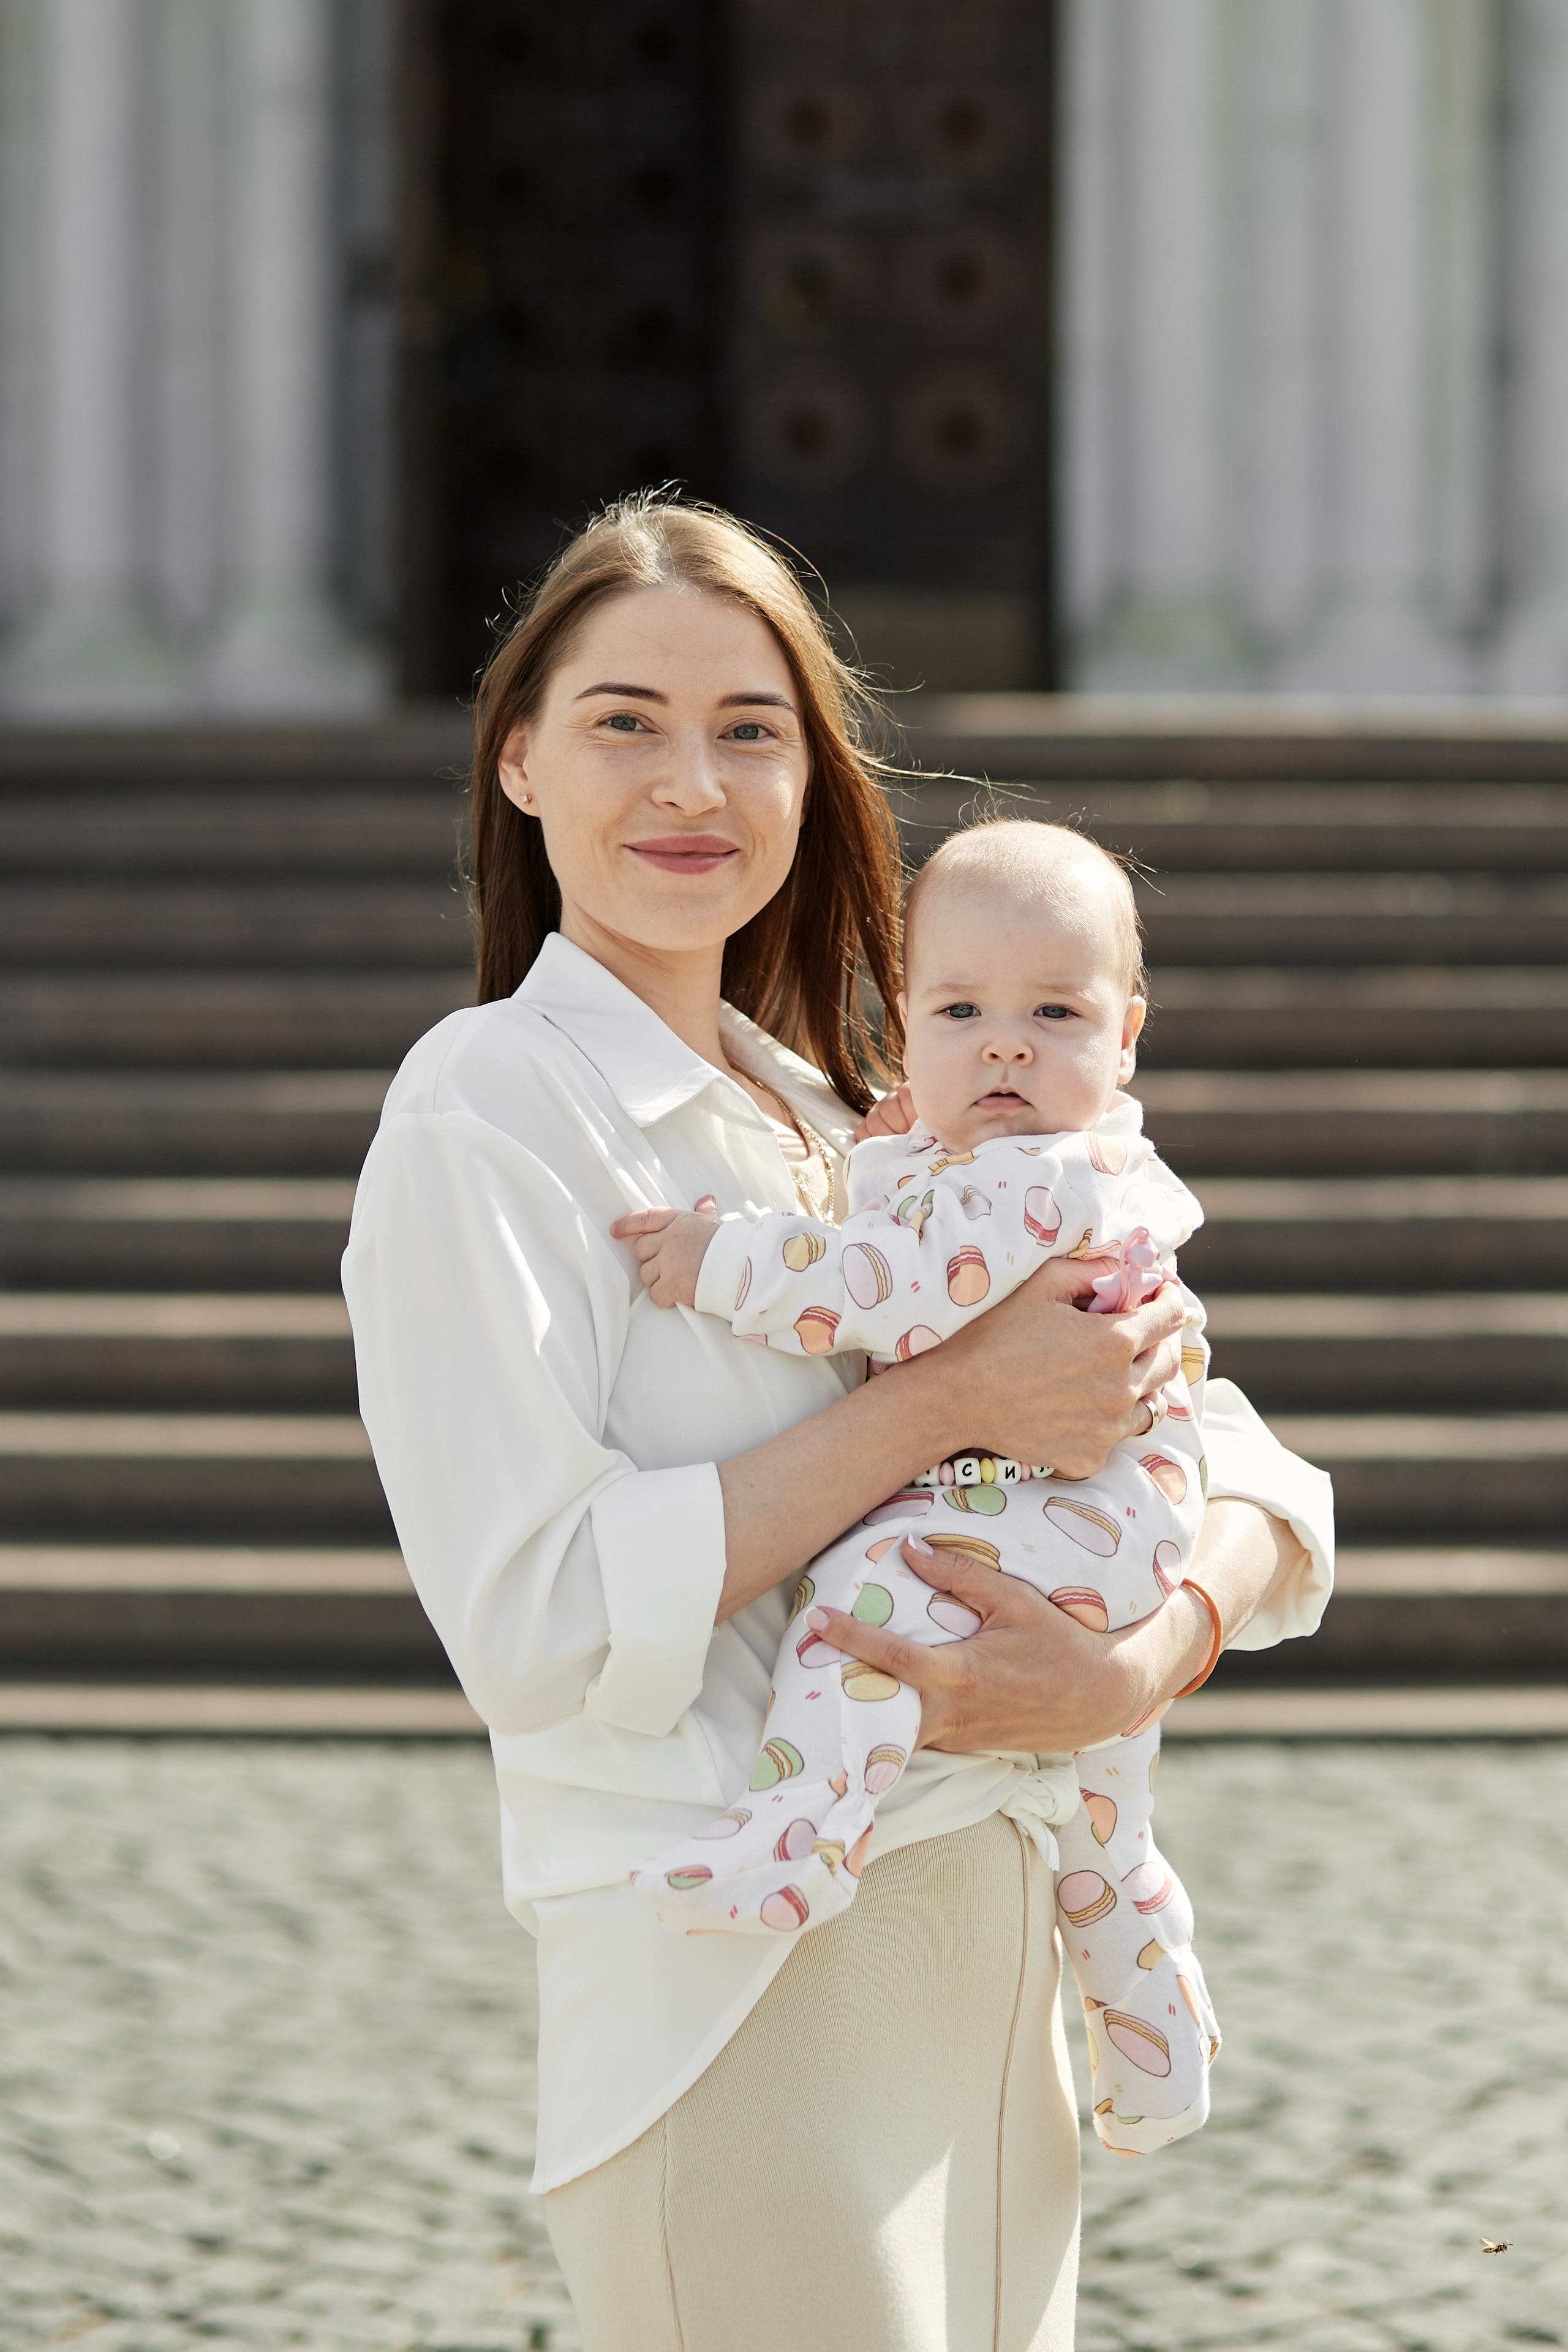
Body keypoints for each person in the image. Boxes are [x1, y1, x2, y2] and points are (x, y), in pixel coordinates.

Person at [341, 496, 1333, 2352]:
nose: (688, 782)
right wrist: (945, 1405)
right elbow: (541, 1618)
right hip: (734, 1992)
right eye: (625, 719)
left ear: (814, 777)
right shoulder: (488, 1108)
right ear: (521, 758)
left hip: (993, 1963)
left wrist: (1143, 1654)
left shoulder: (872, 1108)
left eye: (752, 728)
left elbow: (1241, 1453)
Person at [619, 818, 1224, 2158]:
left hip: (1060, 1508)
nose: (1003, 1044)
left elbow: (880, 1295)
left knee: (867, 1596)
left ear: (1124, 1035)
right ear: (904, 1024)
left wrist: (719, 1261)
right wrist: (896, 1157)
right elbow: (923, 1229)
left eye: (1052, 1012)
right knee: (1101, 1823)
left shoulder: (1042, 1174)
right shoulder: (1021, 1162)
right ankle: (1157, 2063)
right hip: (1115, 1525)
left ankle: (795, 1837)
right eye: (961, 1010)